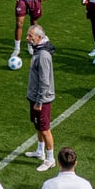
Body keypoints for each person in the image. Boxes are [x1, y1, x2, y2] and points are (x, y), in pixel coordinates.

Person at [23, 25, 56, 172]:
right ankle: (40, 151)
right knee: (38, 126)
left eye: (30, 36)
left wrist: (39, 101)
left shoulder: (43, 55)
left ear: (39, 38)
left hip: (41, 99)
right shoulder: (38, 50)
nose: (28, 38)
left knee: (45, 129)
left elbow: (45, 81)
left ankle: (50, 159)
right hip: (35, 96)